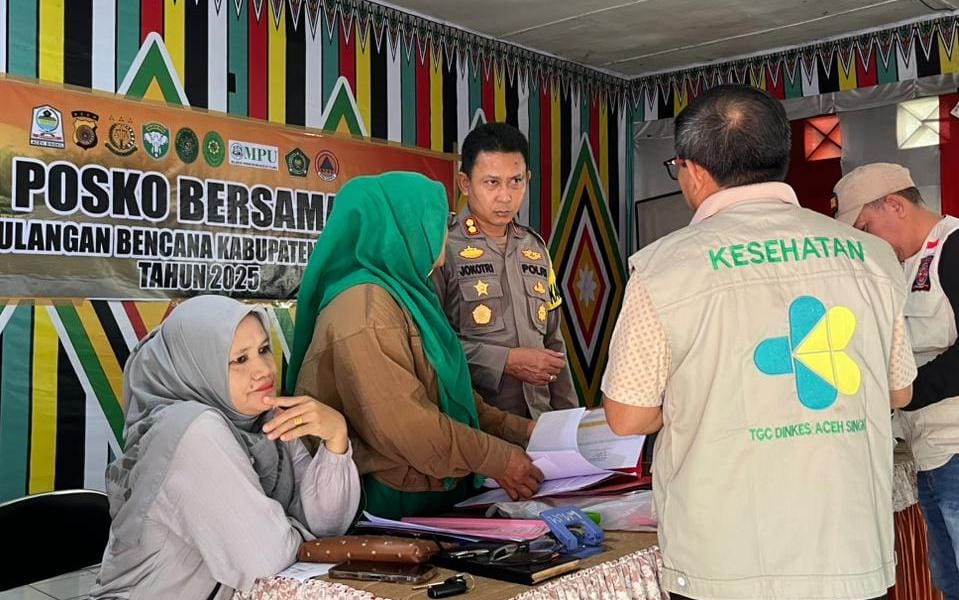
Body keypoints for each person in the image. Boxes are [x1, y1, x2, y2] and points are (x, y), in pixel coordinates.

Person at [601, 84, 916, 600]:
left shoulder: (664, 269)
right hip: (849, 547)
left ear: (693, 171)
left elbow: (627, 417)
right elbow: (898, 391)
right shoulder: (872, 258)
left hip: (727, 560)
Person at [286, 171, 542, 520]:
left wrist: (523, 431)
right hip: (390, 508)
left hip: (428, 493)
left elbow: (452, 397)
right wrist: (498, 459)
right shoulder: (364, 307)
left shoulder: (405, 294)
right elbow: (408, 427)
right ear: (404, 227)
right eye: (440, 220)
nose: (446, 232)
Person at [92, 295, 359, 599]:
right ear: (197, 368)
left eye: (263, 350)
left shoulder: (263, 419)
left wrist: (336, 438)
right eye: (240, 360)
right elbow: (264, 561)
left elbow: (326, 527)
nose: (263, 370)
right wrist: (293, 533)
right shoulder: (190, 431)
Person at [834, 162, 959, 599]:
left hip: (956, 448)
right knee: (948, 580)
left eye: (866, 228)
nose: (867, 242)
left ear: (895, 205)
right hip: (928, 453)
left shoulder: (953, 246)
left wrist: (904, 394)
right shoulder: (901, 269)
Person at [431, 122, 577, 418]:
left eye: (516, 181)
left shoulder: (535, 248)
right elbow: (430, 343)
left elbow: (553, 341)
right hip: (476, 423)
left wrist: (568, 420)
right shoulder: (442, 246)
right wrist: (504, 361)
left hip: (539, 421)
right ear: (464, 183)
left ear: (528, 179)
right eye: (492, 183)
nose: (506, 196)